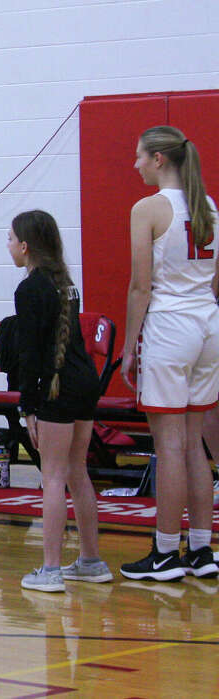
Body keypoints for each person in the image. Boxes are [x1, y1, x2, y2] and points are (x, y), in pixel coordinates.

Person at [119, 126, 218, 581]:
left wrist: (129, 346)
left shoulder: (149, 208)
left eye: (139, 156)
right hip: (208, 325)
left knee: (170, 445)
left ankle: (163, 553)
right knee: (196, 444)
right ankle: (201, 549)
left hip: (170, 326)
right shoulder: (210, 207)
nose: (135, 164)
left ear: (159, 159)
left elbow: (141, 286)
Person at [6, 210, 110, 592]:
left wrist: (28, 405)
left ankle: (50, 570)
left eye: (10, 239)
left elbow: (30, 354)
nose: (8, 246)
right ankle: (91, 561)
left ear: (25, 246)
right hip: (84, 382)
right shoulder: (65, 281)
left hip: (56, 386)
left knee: (52, 477)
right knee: (76, 471)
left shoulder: (29, 288)